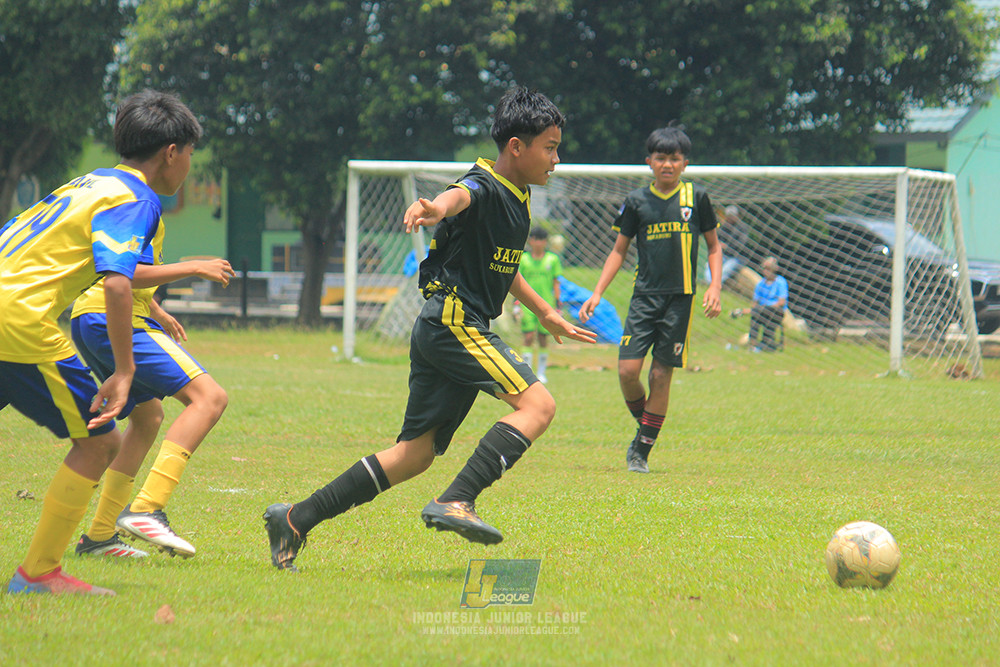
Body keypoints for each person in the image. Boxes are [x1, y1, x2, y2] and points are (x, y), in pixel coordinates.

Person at [262, 86, 597, 571]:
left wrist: (544, 311)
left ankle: (295, 518)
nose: (557, 159)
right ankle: (456, 498)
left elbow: (501, 266)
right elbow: (460, 196)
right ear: (516, 148)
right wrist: (437, 208)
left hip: (448, 325)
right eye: (549, 147)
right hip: (454, 321)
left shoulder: (519, 196)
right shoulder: (483, 184)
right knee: (538, 404)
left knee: (415, 454)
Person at [1, 89, 201, 595]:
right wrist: (126, 370)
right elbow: (116, 280)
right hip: (19, 320)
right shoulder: (136, 198)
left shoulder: (88, 183)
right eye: (191, 154)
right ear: (171, 152)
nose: (190, 166)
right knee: (100, 441)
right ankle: (40, 574)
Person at [579, 125, 722, 474]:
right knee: (628, 372)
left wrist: (714, 286)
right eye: (661, 158)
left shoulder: (697, 199)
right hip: (644, 298)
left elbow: (714, 246)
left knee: (660, 376)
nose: (668, 164)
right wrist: (596, 292)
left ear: (685, 163)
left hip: (681, 300)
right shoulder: (636, 201)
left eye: (675, 158)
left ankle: (641, 450)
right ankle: (647, 426)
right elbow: (618, 250)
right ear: (649, 162)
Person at [70, 255, 234, 559]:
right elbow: (123, 275)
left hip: (91, 317)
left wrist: (155, 310)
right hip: (114, 316)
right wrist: (195, 267)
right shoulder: (143, 205)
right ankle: (147, 507)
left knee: (148, 417)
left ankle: (100, 537)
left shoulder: (134, 208)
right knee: (210, 398)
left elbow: (118, 268)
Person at [515, 226, 563, 383]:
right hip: (526, 304)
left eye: (542, 240)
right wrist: (515, 303)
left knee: (543, 337)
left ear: (545, 242)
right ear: (530, 241)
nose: (538, 243)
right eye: (535, 239)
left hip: (546, 305)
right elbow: (515, 282)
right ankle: (527, 371)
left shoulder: (552, 259)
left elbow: (556, 283)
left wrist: (558, 304)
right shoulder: (524, 259)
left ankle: (541, 373)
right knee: (528, 336)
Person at [747, 256, 788, 352]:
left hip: (775, 311)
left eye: (769, 268)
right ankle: (753, 343)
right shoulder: (760, 284)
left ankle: (767, 343)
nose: (766, 271)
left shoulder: (780, 282)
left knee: (763, 313)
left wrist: (764, 308)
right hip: (760, 311)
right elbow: (755, 302)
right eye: (764, 268)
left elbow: (781, 302)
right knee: (755, 314)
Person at [703, 205, 750, 285]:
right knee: (709, 264)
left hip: (736, 258)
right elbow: (717, 239)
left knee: (726, 269)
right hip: (723, 254)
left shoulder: (743, 228)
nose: (729, 218)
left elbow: (741, 245)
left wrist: (727, 247)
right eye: (728, 216)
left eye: (732, 216)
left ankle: (713, 284)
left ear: (737, 216)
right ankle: (708, 282)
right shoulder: (724, 226)